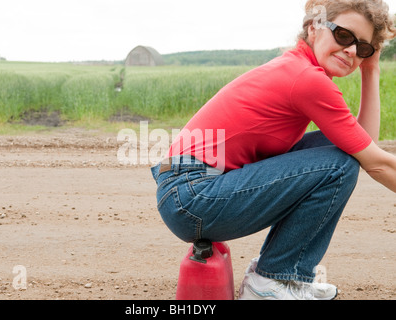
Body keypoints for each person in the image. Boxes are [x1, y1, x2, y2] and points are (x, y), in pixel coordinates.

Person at [151, 0, 396, 300]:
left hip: (188, 192)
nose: (352, 51)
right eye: (344, 36)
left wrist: (371, 71)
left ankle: (282, 277)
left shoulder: (300, 67)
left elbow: (363, 146)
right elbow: (377, 164)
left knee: (342, 153)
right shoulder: (306, 79)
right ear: (314, 27)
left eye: (363, 48)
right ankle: (272, 281)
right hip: (192, 196)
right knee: (337, 164)